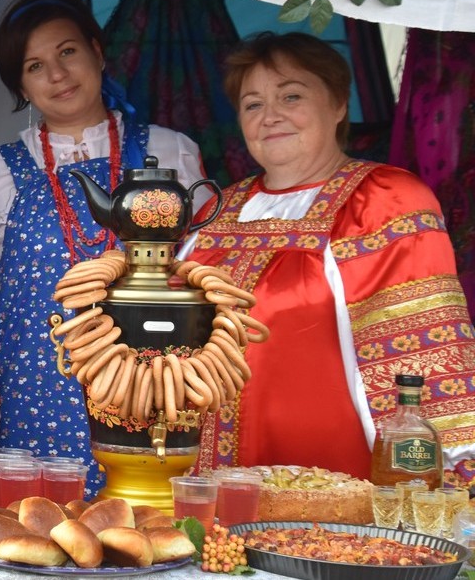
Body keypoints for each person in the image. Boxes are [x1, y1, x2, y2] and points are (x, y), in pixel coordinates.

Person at [181, 31, 475, 485]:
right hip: (213, 480)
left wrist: (442, 474)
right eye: (253, 104)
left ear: (339, 104)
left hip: (337, 479)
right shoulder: (215, 211)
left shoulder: (385, 200)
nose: (270, 116)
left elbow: (424, 353)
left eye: (291, 96)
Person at [0, 0, 207, 495]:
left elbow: (203, 274)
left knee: (148, 536)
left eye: (68, 52)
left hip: (150, 387)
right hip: (31, 390)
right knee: (34, 534)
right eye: (35, 66)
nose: (57, 75)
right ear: (20, 86)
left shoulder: (172, 152)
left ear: (97, 51)